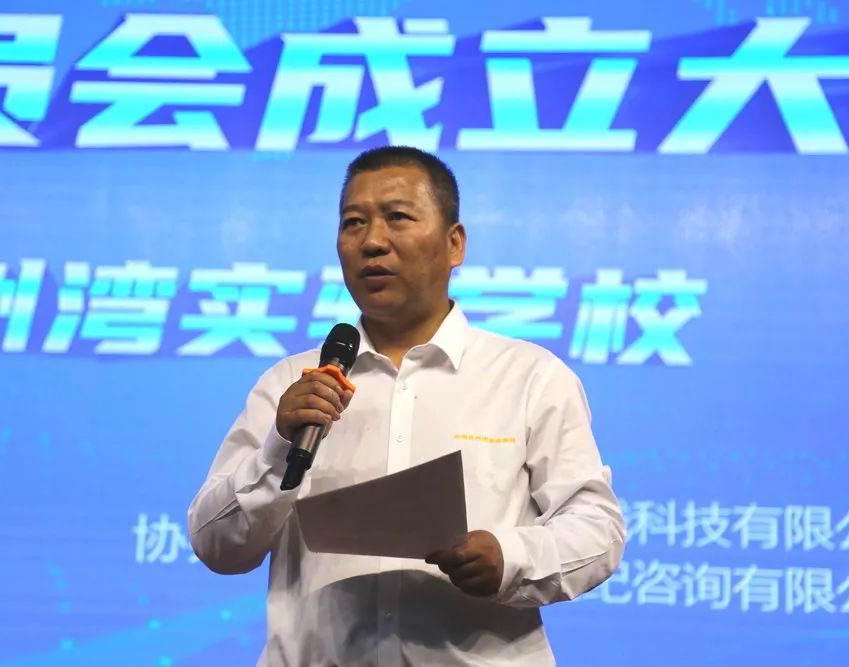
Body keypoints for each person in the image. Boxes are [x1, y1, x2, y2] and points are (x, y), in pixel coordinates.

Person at [187, 146, 626, 666]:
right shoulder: (291, 383)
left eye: (397, 217)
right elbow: (217, 546)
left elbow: (597, 529)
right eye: (353, 223)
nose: (372, 241)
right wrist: (279, 448)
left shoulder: (529, 376)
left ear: (454, 243)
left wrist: (510, 557)